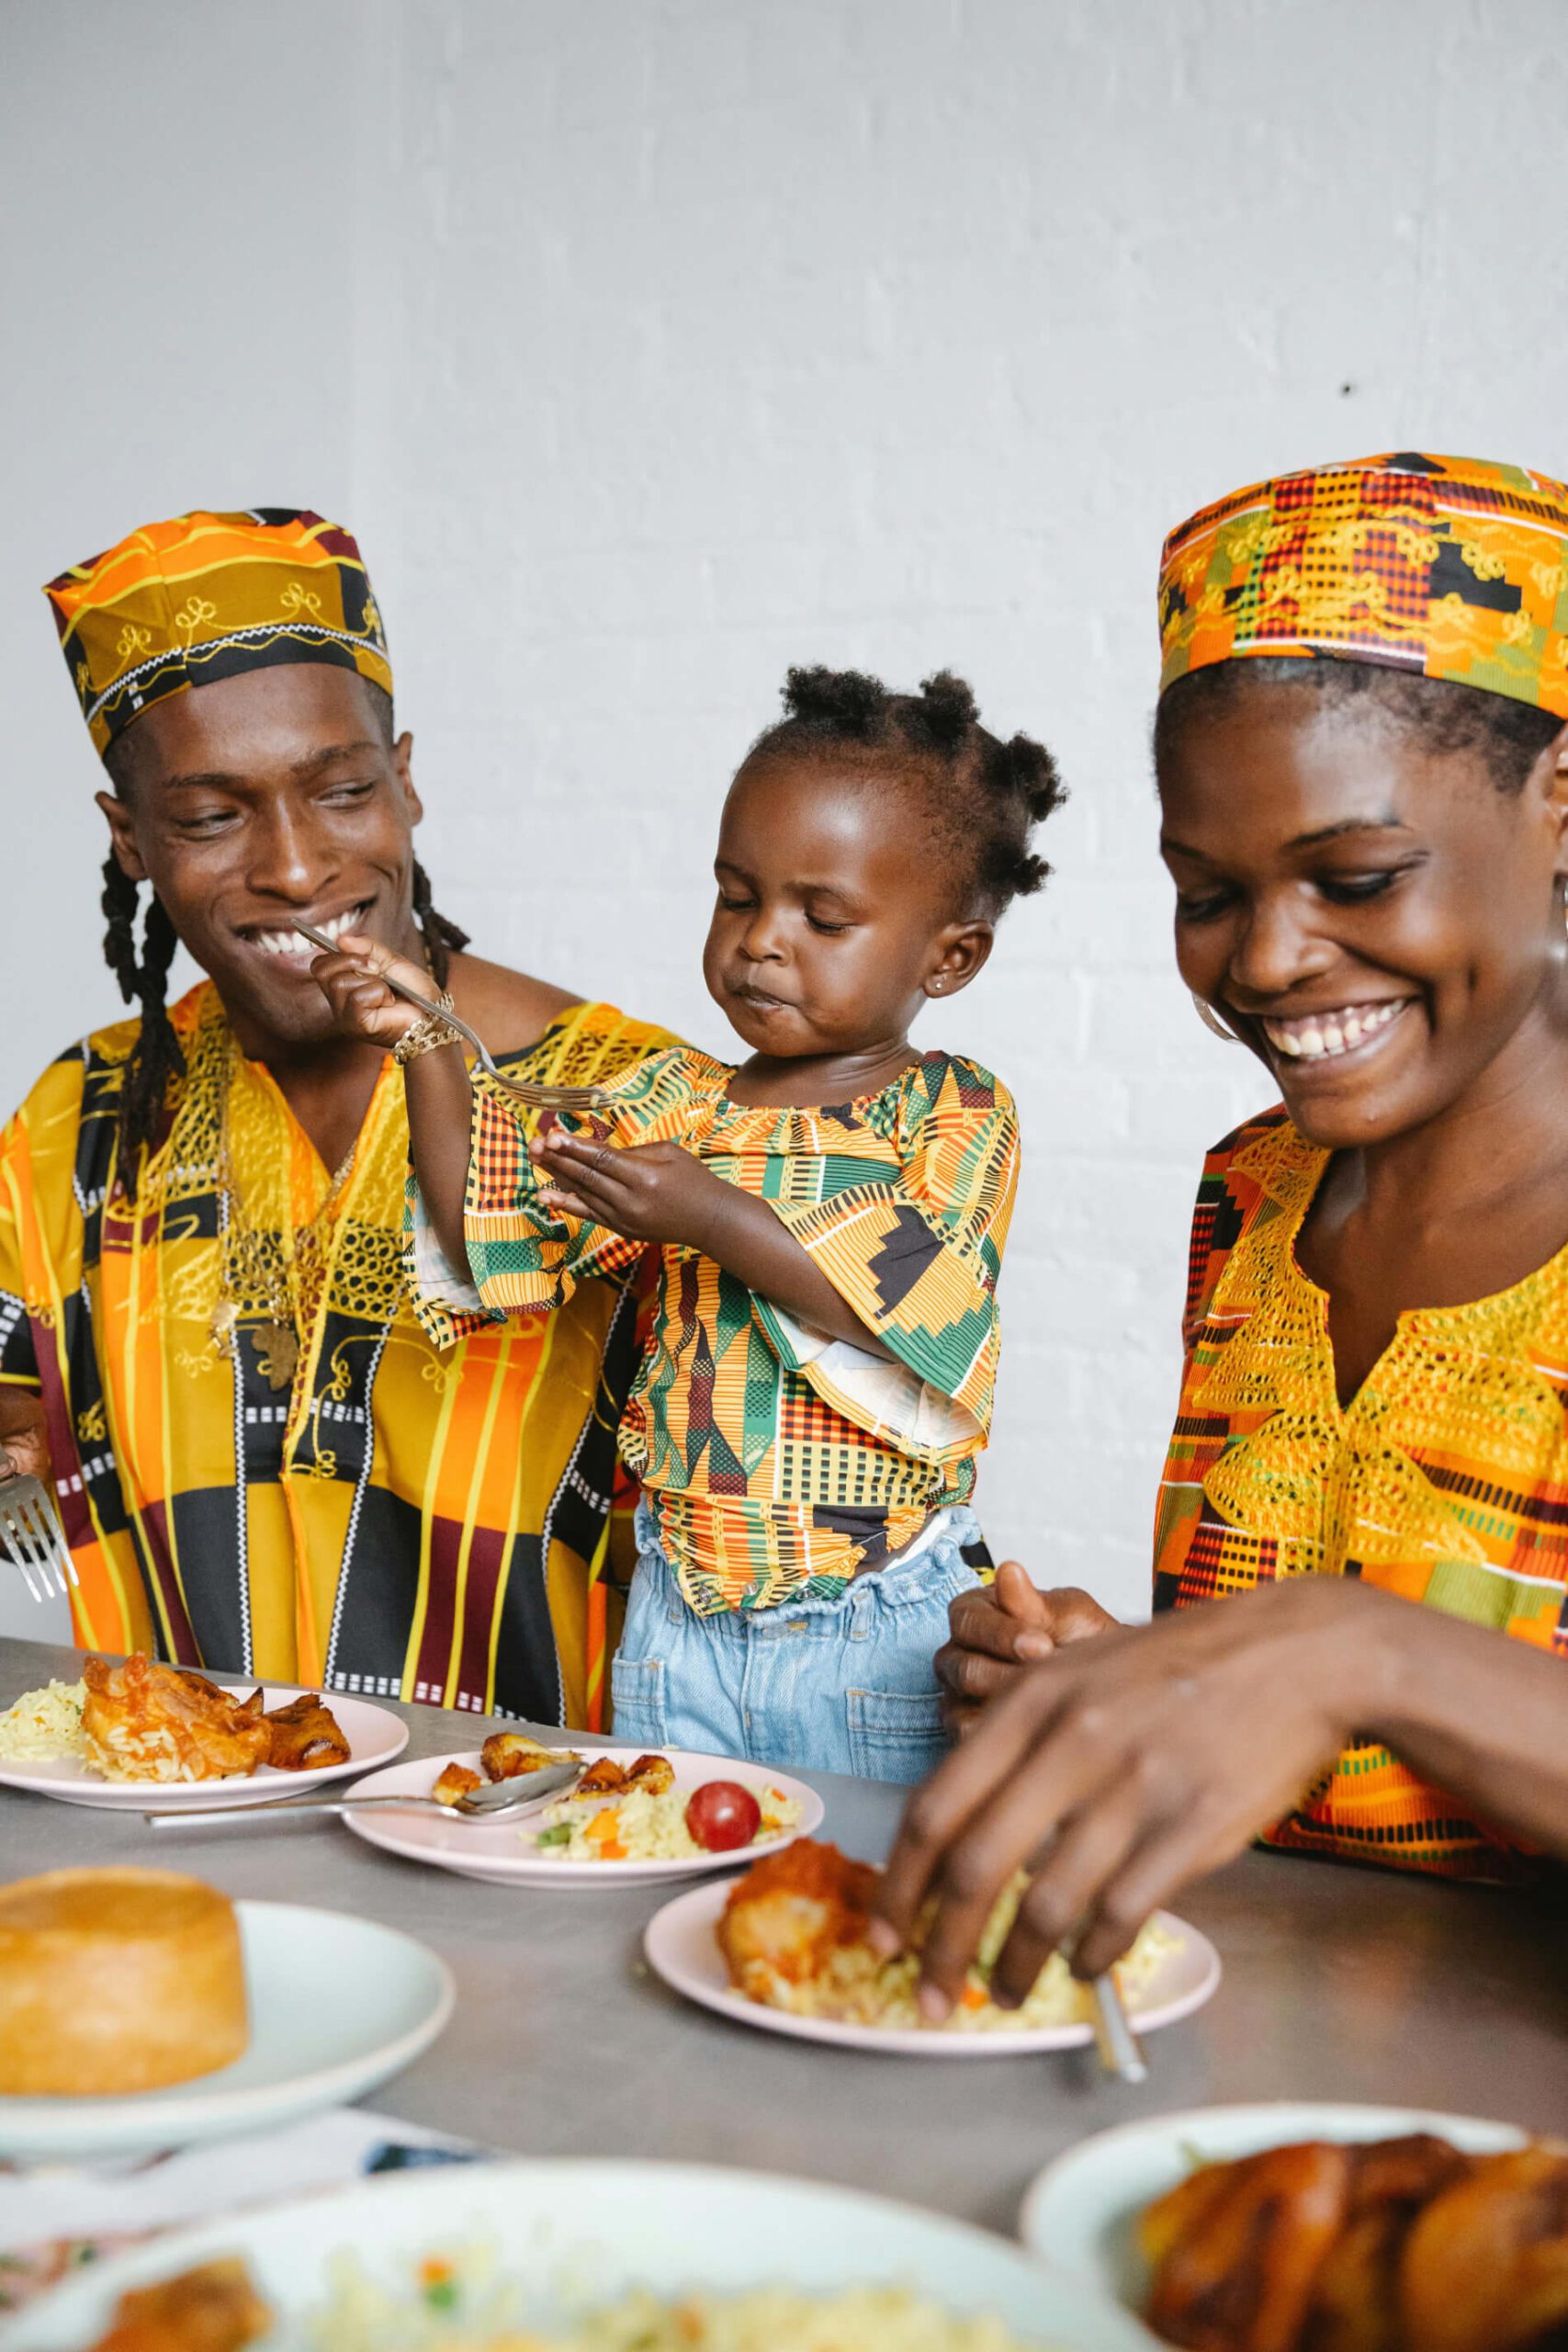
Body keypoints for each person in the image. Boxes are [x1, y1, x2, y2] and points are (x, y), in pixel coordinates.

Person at [877, 451, 1568, 2008]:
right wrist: (1136, 1686)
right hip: (1257, 2077)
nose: (1264, 962)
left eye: (1359, 876)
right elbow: (1331, 1774)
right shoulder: (1256, 1196)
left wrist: (1349, 1654)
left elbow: (1358, 1666)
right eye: (1207, 891)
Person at [315, 665, 1065, 1779]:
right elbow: (489, 1234)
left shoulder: (953, 1111)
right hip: (676, 1628)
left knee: (863, 1910)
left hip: (870, 1630)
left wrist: (708, 1213)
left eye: (824, 915)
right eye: (737, 895)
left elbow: (919, 1317)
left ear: (948, 956)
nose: (762, 940)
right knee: (666, 1883)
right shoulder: (676, 1103)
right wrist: (427, 1042)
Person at [0, 507, 674, 1723]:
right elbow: (18, 1399)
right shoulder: (78, 1123)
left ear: (404, 783)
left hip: (547, 1846)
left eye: (343, 790)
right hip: (178, 1824)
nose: (299, 867)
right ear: (131, 839)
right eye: (212, 815)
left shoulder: (626, 1102)